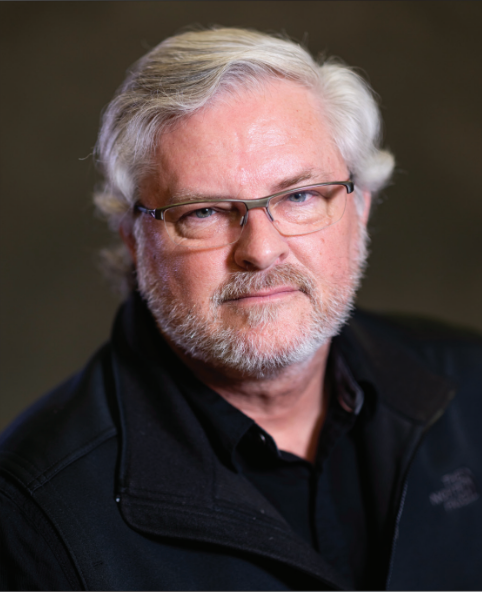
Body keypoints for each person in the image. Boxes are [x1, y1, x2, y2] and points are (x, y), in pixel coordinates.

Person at [0, 27, 480, 591]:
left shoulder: (474, 384)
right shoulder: (31, 514)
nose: (261, 250)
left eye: (300, 196)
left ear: (361, 207)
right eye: (204, 211)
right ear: (134, 237)